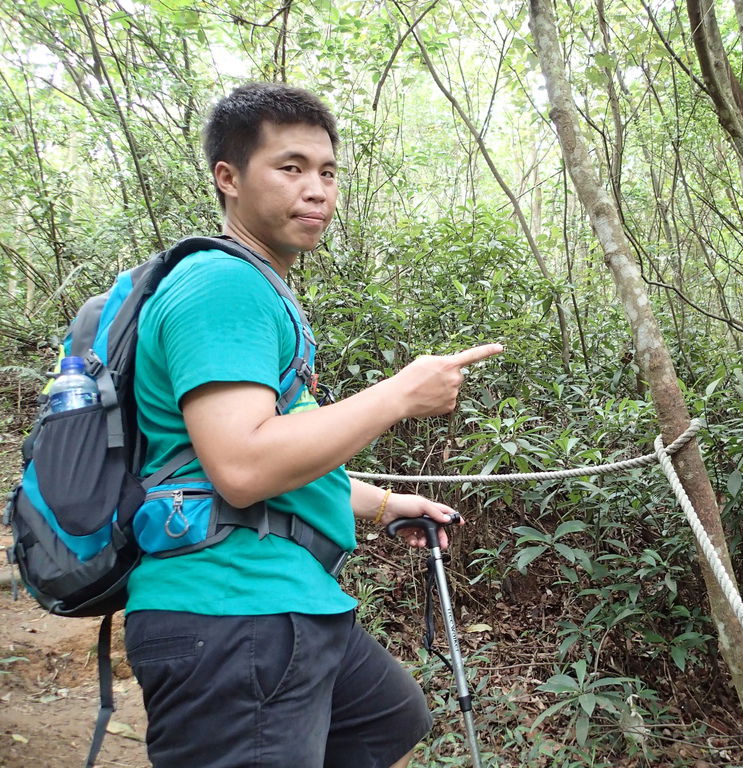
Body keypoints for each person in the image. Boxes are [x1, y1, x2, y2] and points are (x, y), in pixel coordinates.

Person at [124, 81, 502, 768]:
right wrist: (399, 394)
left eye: (327, 172)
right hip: (233, 613)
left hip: (279, 606)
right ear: (228, 178)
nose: (317, 190)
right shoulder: (224, 286)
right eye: (290, 167)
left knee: (387, 716)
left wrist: (388, 502)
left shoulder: (258, 291)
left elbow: (279, 460)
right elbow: (243, 468)